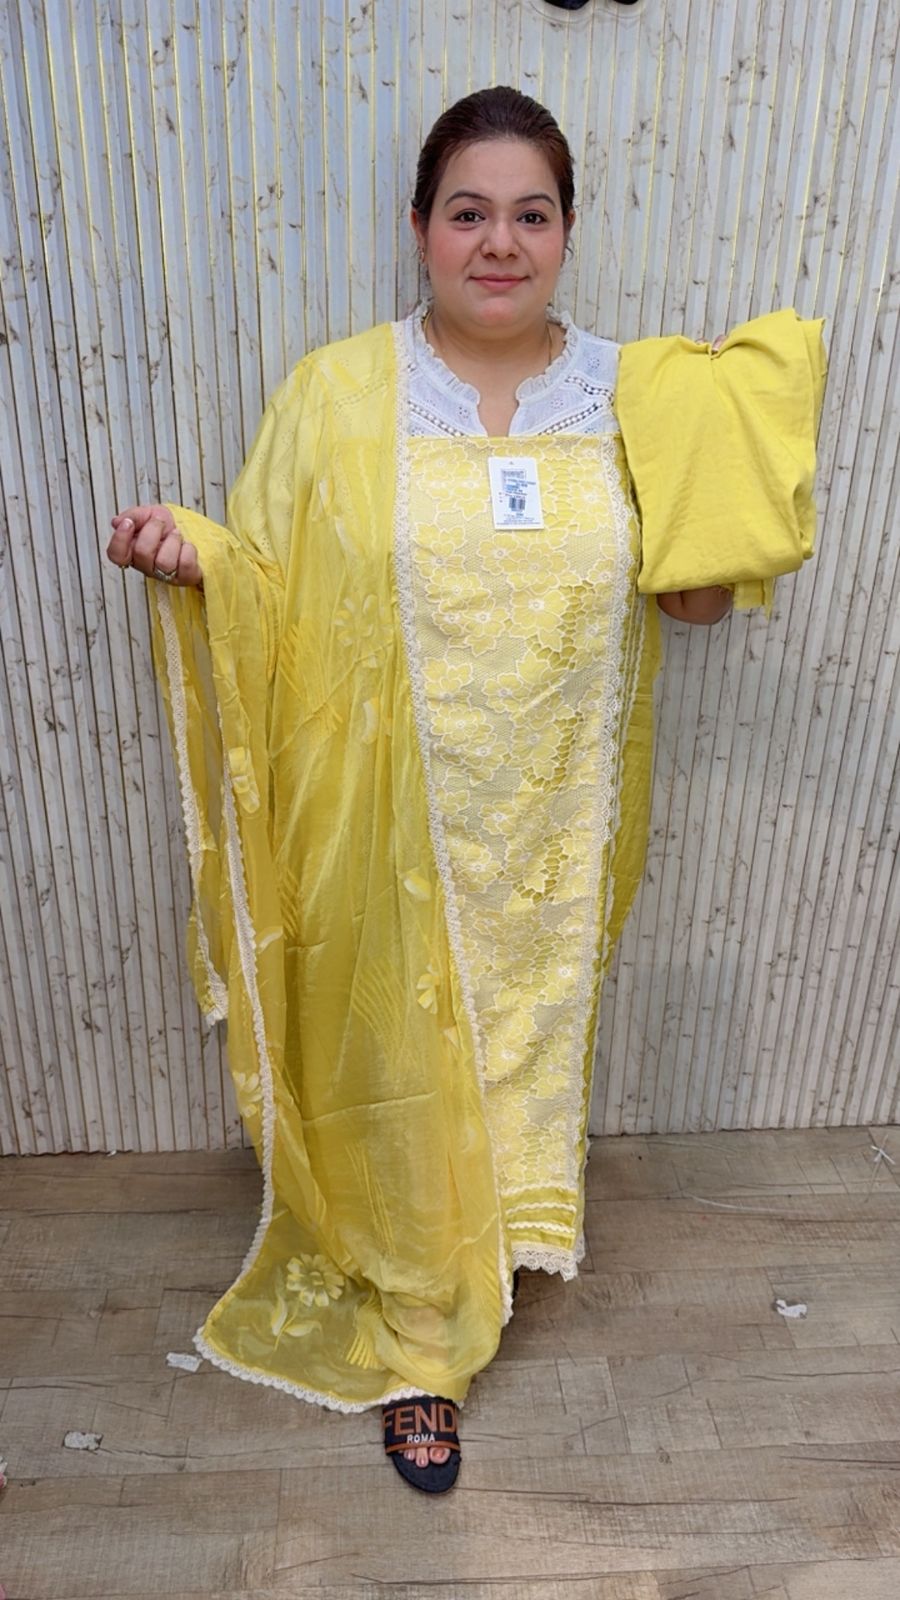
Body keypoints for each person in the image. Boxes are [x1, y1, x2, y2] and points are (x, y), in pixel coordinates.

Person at [105, 86, 732, 1494]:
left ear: (567, 231)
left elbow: (690, 603)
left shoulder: (636, 394)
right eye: (469, 213)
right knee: (392, 1053)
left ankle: (485, 1246)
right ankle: (418, 1335)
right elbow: (272, 574)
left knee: (523, 1042)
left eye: (531, 215)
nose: (499, 243)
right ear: (419, 228)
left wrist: (732, 470)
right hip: (391, 825)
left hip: (553, 831)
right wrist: (194, 554)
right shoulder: (341, 394)